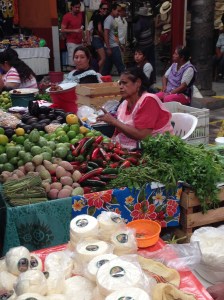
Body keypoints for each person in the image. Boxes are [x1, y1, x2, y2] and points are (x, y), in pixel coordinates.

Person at [97, 67, 174, 150]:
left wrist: (113, 121)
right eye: (120, 83)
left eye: (124, 83)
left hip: (154, 149)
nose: (121, 87)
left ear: (138, 83)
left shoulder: (148, 100)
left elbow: (143, 136)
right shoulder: (124, 103)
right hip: (129, 148)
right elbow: (118, 131)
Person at [133, 6, 156, 83]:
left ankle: (143, 77)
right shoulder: (149, 22)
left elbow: (137, 33)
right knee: (151, 61)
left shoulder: (139, 23)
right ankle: (153, 78)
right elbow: (152, 32)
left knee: (142, 61)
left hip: (143, 45)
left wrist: (137, 40)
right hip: (150, 43)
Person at [102, 2, 125, 76]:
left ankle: (103, 83)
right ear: (112, 10)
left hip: (114, 46)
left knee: (107, 68)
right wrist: (108, 48)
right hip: (112, 47)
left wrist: (120, 45)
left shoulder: (114, 20)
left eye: (120, 11)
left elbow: (115, 35)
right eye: (118, 11)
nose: (119, 13)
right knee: (120, 67)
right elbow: (106, 33)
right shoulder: (109, 19)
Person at [61, 0, 84, 70]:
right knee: (72, 62)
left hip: (80, 41)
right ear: (72, 7)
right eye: (76, 7)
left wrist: (84, 39)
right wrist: (75, 30)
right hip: (71, 41)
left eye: (79, 7)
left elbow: (81, 28)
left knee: (81, 61)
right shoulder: (66, 16)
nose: (77, 9)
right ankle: (72, 77)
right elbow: (62, 29)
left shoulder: (80, 15)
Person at [91, 2, 108, 73]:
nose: (105, 10)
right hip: (97, 39)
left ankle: (98, 75)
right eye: (104, 9)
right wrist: (104, 37)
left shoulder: (100, 16)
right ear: (100, 9)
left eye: (107, 9)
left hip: (97, 39)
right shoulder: (99, 16)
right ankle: (93, 72)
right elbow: (100, 29)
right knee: (103, 58)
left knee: (100, 58)